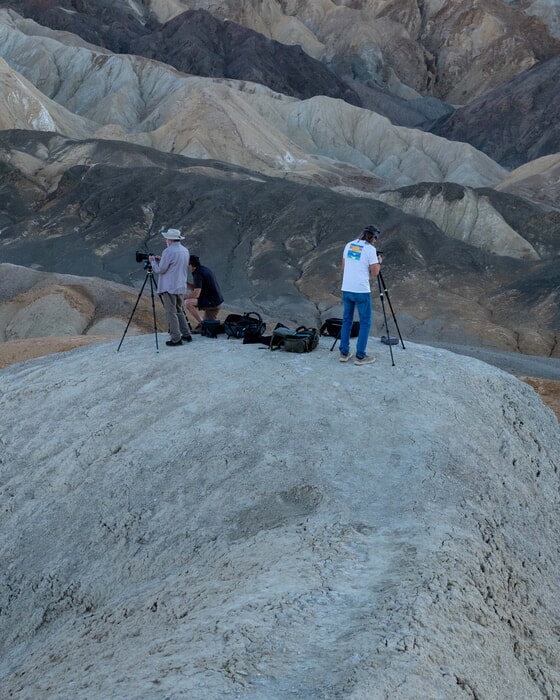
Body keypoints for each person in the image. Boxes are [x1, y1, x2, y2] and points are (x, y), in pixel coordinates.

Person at [339, 224, 382, 365]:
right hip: (361, 290)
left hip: (347, 288)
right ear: (373, 237)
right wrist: (379, 262)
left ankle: (344, 353)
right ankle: (360, 356)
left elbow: (344, 267)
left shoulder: (349, 245)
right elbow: (375, 273)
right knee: (365, 322)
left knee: (347, 320)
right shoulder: (370, 249)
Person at [149, 228, 192, 347]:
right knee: (179, 310)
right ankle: (186, 334)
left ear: (169, 240)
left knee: (171, 312)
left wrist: (152, 262)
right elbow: (175, 265)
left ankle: (176, 339)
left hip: (169, 287)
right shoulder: (185, 250)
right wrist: (161, 259)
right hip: (180, 286)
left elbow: (160, 270)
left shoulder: (168, 251)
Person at [184, 255, 224, 333]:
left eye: (188, 265)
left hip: (212, 302)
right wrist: (187, 284)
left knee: (188, 302)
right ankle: (229, 323)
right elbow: (197, 288)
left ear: (191, 265)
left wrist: (185, 297)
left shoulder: (198, 274)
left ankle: (203, 323)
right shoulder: (203, 269)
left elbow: (196, 294)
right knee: (210, 327)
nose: (187, 267)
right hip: (216, 301)